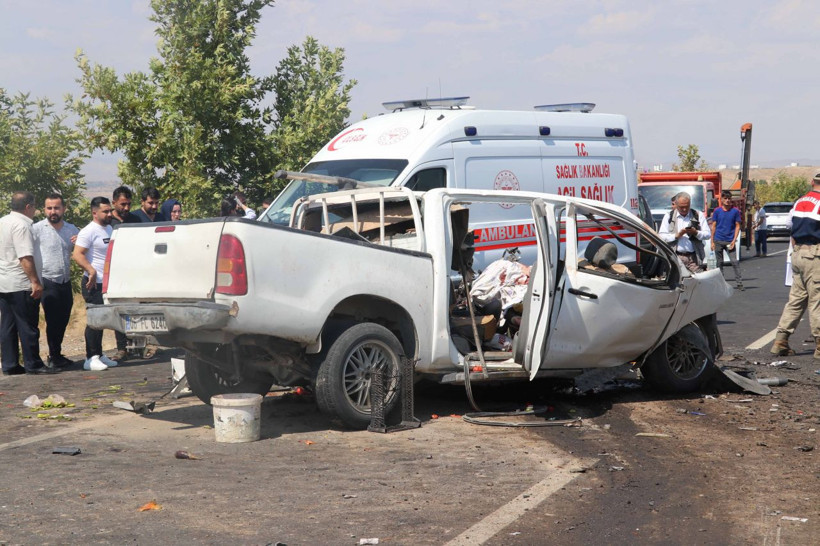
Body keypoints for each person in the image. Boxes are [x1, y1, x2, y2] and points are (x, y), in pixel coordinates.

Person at [0, 191, 55, 375]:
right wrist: (35, 281)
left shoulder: (3, 221)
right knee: (27, 325)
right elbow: (25, 256)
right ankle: (33, 363)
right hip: (22, 283)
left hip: (5, 282)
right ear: (28, 207)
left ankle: (10, 364)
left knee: (8, 325)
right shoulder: (21, 225)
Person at [770, 172, 820, 358]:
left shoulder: (800, 201)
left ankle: (780, 340)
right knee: (817, 301)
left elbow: (789, 226)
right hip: (815, 255)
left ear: (811, 182)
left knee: (796, 300)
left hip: (798, 253)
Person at [32, 193, 79, 369]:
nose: (53, 211)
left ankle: (57, 354)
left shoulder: (71, 229)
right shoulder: (37, 229)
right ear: (44, 209)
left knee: (64, 318)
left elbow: (83, 249)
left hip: (65, 281)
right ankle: (53, 356)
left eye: (56, 208)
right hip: (47, 280)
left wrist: (79, 242)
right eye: (49, 208)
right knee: (52, 320)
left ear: (63, 209)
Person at [72, 197, 119, 371]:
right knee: (94, 320)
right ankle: (90, 358)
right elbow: (77, 254)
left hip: (107, 283)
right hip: (93, 283)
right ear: (94, 212)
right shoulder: (88, 231)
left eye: (110, 210)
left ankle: (99, 354)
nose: (109, 214)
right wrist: (91, 270)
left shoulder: (109, 228)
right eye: (105, 211)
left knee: (103, 320)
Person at [659, 192, 711, 273]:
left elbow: (707, 235)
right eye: (681, 207)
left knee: (697, 282)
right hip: (676, 257)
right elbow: (661, 236)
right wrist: (677, 236)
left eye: (687, 207)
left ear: (690, 204)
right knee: (677, 283)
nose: (684, 209)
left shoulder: (698, 215)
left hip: (694, 258)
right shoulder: (669, 216)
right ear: (675, 204)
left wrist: (696, 233)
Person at [710, 190, 744, 290]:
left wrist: (734, 240)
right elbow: (714, 226)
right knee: (719, 263)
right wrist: (712, 241)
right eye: (725, 198)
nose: (728, 200)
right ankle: (721, 283)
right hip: (718, 240)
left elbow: (738, 226)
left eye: (729, 198)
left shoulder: (735, 211)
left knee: (735, 262)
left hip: (730, 241)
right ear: (722, 199)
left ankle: (739, 283)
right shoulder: (717, 211)